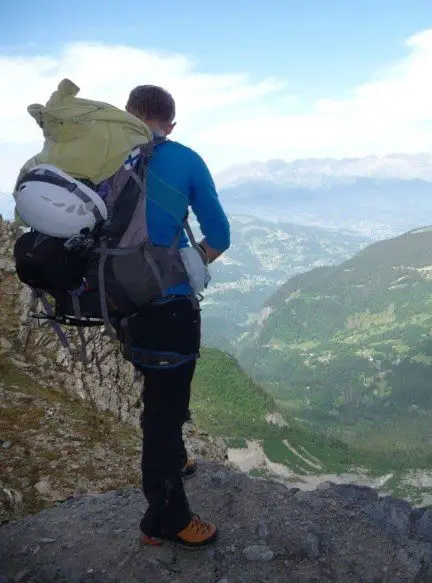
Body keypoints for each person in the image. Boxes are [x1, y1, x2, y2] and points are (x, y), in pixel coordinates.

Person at [123, 85, 230, 549]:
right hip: (168, 306)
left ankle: (178, 459)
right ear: (170, 123)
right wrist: (190, 263)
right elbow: (219, 235)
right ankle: (166, 520)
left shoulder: (106, 159)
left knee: (158, 391)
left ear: (127, 115)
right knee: (165, 413)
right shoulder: (184, 158)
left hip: (118, 304)